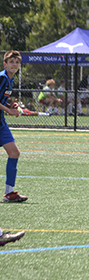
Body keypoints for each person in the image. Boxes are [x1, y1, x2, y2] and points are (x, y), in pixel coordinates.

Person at [0, 51, 28, 202]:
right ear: (5, 64)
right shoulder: (2, 78)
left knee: (14, 153)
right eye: (12, 62)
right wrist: (9, 110)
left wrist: (11, 105)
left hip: (1, 123)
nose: (15, 65)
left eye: (17, 62)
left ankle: (9, 193)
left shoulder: (11, 79)